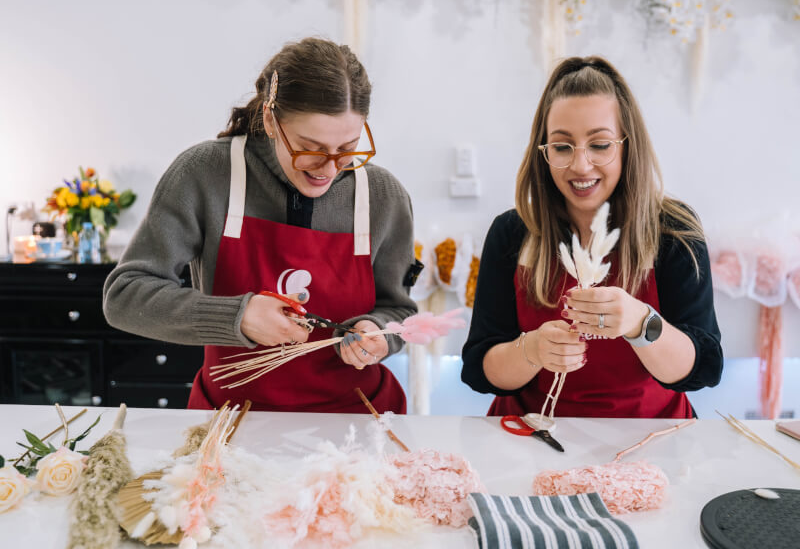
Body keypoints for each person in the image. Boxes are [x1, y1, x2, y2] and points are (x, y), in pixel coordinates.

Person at [104, 37, 417, 413]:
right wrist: (237, 317)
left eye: (348, 149)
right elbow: (125, 297)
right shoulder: (205, 175)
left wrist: (379, 334)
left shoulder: (382, 195)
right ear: (270, 118)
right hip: (233, 422)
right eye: (310, 148)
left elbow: (400, 312)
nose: (330, 168)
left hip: (360, 420)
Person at [461, 56, 723, 418]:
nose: (580, 165)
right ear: (544, 151)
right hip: (531, 434)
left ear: (627, 146)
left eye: (600, 145)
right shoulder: (512, 232)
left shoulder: (673, 231)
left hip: (649, 434)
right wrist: (532, 350)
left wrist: (640, 323)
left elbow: (704, 368)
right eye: (562, 146)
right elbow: (479, 368)